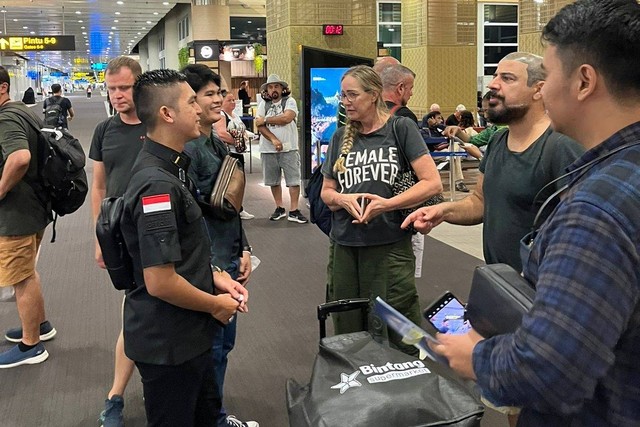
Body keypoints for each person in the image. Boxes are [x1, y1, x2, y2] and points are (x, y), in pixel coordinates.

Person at [431, 1, 640, 425]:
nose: (543, 90)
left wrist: (475, 356)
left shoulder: (596, 206)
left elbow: (551, 367)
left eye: (550, 75)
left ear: (583, 81)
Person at [120, 69, 249, 426]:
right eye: (191, 101)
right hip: (168, 343)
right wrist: (216, 305)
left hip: (189, 335)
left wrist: (215, 276)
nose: (201, 108)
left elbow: (183, 251)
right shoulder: (156, 185)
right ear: (167, 114)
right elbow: (159, 281)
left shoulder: (175, 168)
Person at [402, 52, 584, 272]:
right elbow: (480, 202)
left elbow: (582, 230)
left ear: (538, 90)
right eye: (496, 76)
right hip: (502, 282)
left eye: (507, 78)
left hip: (544, 289)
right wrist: (443, 212)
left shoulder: (561, 146)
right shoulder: (498, 140)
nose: (493, 84)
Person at [320, 65, 442, 355]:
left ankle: (414, 382)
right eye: (343, 95)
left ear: (373, 95)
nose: (345, 101)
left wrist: (387, 204)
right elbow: (326, 192)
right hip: (345, 248)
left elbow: (432, 183)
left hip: (390, 247)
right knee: (348, 328)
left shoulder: (400, 128)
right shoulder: (339, 137)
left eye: (352, 95)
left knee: (400, 324)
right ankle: (360, 390)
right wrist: (342, 200)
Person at [181, 63, 258, 427]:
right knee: (209, 347)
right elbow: (190, 217)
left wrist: (244, 249)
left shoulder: (214, 140)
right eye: (210, 93)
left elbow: (231, 207)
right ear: (189, 101)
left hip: (227, 257)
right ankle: (210, 418)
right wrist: (211, 270)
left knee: (222, 345)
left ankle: (212, 415)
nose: (220, 99)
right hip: (206, 267)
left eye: (220, 92)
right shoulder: (190, 149)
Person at [89, 56, 145, 427]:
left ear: (140, 85)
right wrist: (101, 238)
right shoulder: (105, 130)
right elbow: (99, 186)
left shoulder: (161, 123)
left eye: (124, 87)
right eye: (112, 89)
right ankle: (115, 396)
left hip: (164, 234)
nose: (117, 95)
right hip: (123, 238)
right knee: (135, 313)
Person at [0, 66, 56, 368]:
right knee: (28, 273)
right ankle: (40, 326)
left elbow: (20, 158)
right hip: (33, 206)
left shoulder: (6, 118)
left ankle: (31, 345)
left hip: (17, 212)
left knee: (20, 278)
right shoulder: (22, 111)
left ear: (2, 88)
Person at [255, 74, 308, 223]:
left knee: (293, 180)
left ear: (282, 88)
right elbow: (259, 126)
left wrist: (265, 119)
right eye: (270, 87)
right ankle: (279, 207)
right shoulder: (263, 105)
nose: (274, 89)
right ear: (267, 90)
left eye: (276, 86)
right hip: (268, 149)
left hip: (289, 149)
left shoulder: (289, 102)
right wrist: (273, 139)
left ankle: (294, 210)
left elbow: (287, 118)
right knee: (273, 181)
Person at [216, 91, 256, 221]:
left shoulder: (235, 116)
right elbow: (221, 133)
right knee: (231, 183)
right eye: (229, 100)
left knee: (239, 183)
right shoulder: (221, 115)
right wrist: (237, 142)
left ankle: (238, 207)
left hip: (238, 153)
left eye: (234, 100)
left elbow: (242, 131)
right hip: (230, 153)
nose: (233, 102)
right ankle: (233, 208)